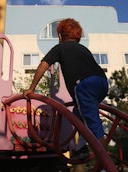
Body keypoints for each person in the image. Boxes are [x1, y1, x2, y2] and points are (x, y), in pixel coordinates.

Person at [22, 18, 108, 158]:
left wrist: (31, 88)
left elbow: (43, 65)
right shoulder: (84, 49)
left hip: (84, 85)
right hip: (102, 83)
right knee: (78, 114)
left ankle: (105, 168)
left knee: (92, 123)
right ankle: (81, 148)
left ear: (61, 36)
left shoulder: (60, 48)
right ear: (78, 36)